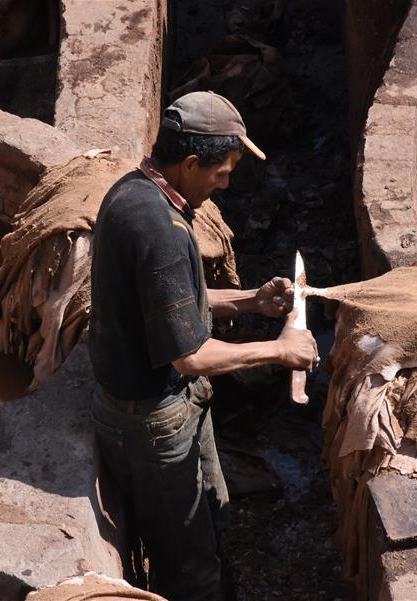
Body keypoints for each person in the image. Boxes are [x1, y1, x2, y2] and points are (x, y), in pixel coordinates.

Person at [88, 91, 318, 601]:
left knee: (212, 516)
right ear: (190, 163)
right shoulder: (161, 230)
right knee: (188, 566)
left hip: (164, 405)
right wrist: (280, 351)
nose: (226, 183)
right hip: (153, 421)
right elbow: (189, 356)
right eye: (221, 172)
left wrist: (252, 302)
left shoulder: (133, 190)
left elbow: (172, 300)